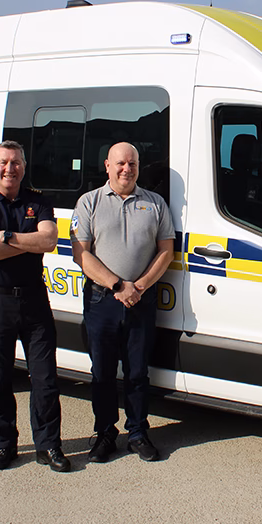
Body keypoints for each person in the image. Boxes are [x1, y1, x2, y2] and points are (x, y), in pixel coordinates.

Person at [0, 140, 70, 472]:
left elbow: (49, 241)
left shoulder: (38, 201)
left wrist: (6, 237)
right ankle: (4, 444)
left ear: (24, 167)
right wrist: (27, 244)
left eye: (16, 163)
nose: (9, 169)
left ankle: (48, 446)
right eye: (3, 163)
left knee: (45, 379)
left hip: (33, 299)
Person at [71, 142, 175, 462]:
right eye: (120, 163)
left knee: (137, 372)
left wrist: (139, 287)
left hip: (141, 301)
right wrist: (118, 285)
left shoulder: (155, 203)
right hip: (103, 300)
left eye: (132, 163)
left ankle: (138, 432)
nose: (126, 169)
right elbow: (81, 254)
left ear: (139, 166)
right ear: (107, 166)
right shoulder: (89, 203)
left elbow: (166, 251)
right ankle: (104, 433)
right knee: (102, 372)